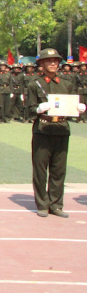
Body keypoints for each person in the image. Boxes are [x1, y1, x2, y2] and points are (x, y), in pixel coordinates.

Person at [26, 49, 85, 218]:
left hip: (61, 128)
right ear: (41, 64)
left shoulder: (67, 83)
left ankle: (56, 204)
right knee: (40, 169)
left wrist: (78, 109)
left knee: (59, 169)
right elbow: (29, 110)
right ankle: (42, 204)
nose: (53, 64)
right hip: (43, 129)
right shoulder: (34, 84)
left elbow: (71, 104)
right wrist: (38, 109)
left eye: (55, 61)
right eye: (49, 61)